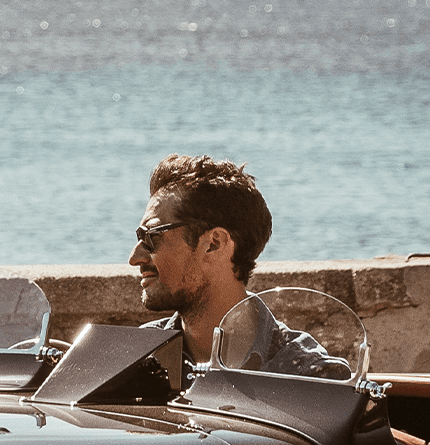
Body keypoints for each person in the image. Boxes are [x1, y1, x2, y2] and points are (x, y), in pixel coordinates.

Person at [127, 155, 346, 379]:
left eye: (152, 237)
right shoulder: (136, 359)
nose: (134, 258)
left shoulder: (305, 376)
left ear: (214, 244)